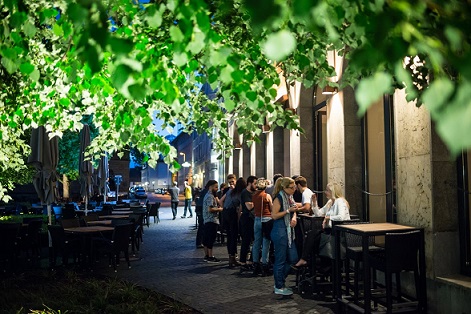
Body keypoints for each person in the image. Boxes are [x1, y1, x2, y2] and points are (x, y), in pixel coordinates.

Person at [294, 181, 351, 268]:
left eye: (327, 190)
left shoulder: (340, 201)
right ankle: (310, 262)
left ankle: (311, 263)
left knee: (313, 237)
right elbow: (319, 214)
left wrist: (328, 217)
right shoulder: (330, 202)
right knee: (311, 235)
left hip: (338, 233)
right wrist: (314, 203)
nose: (325, 192)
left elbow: (342, 217)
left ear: (333, 192)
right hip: (329, 230)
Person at [270, 177, 299, 296]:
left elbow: (294, 210)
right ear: (285, 188)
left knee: (293, 258)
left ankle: (279, 279)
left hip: (288, 231)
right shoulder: (279, 198)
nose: (294, 190)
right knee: (280, 259)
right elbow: (274, 215)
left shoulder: (290, 197)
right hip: (280, 231)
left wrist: (294, 217)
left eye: (295, 187)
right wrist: (287, 211)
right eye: (291, 188)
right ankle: (279, 286)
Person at [219, 176, 245, 267]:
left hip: (225, 213)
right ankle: (232, 259)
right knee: (234, 235)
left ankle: (231, 256)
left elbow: (221, 201)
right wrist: (238, 218)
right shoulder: (240, 193)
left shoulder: (230, 191)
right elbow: (241, 207)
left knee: (229, 236)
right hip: (232, 213)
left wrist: (223, 209)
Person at [251, 178, 273, 276]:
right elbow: (271, 208)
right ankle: (265, 264)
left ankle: (255, 264)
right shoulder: (267, 196)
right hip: (266, 219)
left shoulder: (254, 196)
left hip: (257, 219)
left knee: (256, 243)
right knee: (266, 243)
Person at [202, 179, 223, 263]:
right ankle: (210, 256)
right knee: (211, 238)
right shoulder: (210, 196)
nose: (217, 189)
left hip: (207, 219)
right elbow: (210, 209)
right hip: (211, 220)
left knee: (206, 238)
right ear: (211, 187)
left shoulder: (209, 195)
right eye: (216, 187)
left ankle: (207, 255)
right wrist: (219, 209)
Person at [239, 175, 257, 270]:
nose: (256, 186)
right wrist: (257, 201)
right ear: (249, 183)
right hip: (247, 219)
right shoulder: (245, 193)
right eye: (255, 184)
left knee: (254, 240)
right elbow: (249, 206)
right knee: (246, 241)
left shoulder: (254, 193)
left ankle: (251, 260)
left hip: (253, 219)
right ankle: (242, 261)